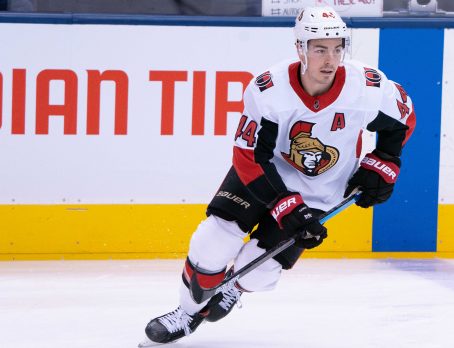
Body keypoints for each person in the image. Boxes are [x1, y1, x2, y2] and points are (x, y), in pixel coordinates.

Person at [141, 5, 416, 345]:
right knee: (212, 241)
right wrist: (284, 205)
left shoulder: (367, 87)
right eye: (319, 49)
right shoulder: (269, 90)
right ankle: (186, 313)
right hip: (262, 176)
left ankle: (235, 288)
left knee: (261, 269)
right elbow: (248, 156)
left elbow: (403, 117)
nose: (329, 59)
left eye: (336, 48)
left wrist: (384, 162)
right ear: (300, 48)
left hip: (320, 190)